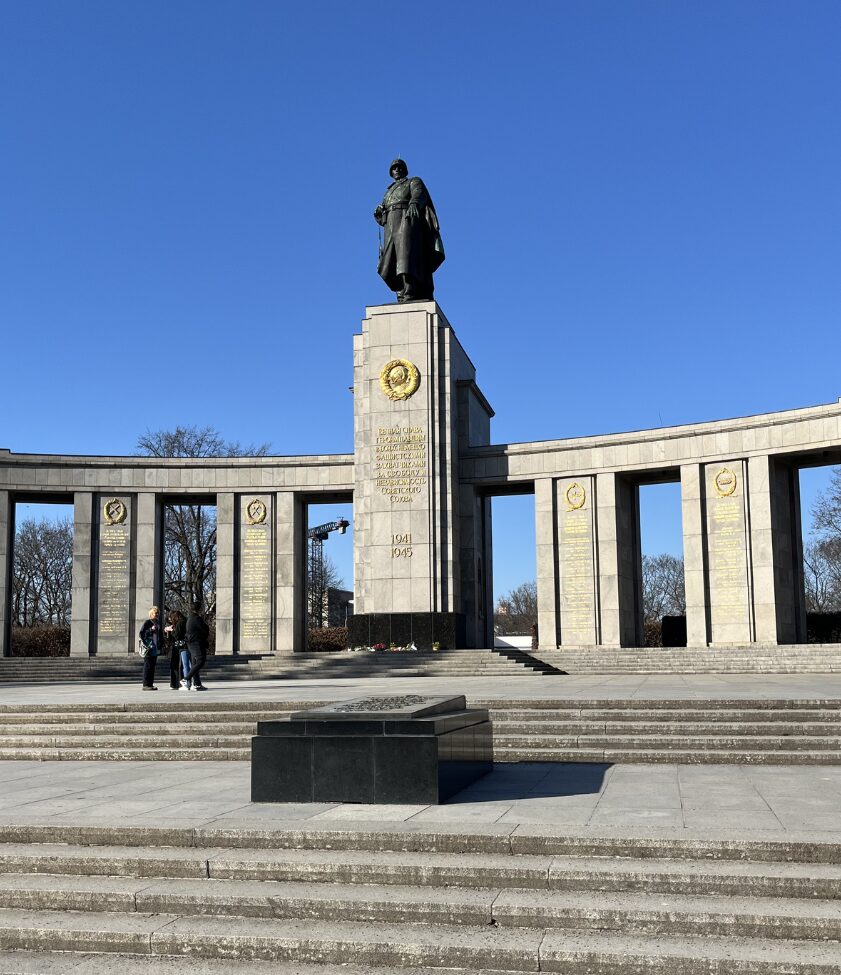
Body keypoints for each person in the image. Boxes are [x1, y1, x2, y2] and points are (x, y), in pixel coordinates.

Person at [374, 158, 444, 302]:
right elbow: (383, 212)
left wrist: (414, 202)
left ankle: (409, 288)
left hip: (406, 220)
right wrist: (379, 214)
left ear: (404, 169)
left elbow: (419, 193)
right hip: (390, 224)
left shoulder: (413, 181)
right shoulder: (388, 191)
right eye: (394, 168)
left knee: (405, 255)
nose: (397, 170)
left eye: (399, 167)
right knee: (391, 258)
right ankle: (400, 290)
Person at [183, 600, 209, 691]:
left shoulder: (190, 618)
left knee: (195, 663)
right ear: (200, 609)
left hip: (192, 643)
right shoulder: (197, 618)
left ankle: (197, 684)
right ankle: (186, 679)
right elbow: (205, 630)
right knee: (200, 661)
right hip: (196, 643)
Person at [138, 607, 161, 691]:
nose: (157, 614)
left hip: (154, 648)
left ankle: (150, 684)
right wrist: (151, 630)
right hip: (148, 648)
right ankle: (146, 684)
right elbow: (142, 634)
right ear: (151, 614)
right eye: (156, 613)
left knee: (152, 666)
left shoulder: (157, 623)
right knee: (147, 666)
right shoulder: (147, 622)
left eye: (158, 613)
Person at [165, 610, 187, 690]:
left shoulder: (180, 623)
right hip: (179, 646)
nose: (170, 620)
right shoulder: (183, 622)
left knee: (176, 665)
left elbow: (177, 635)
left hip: (178, 647)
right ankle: (176, 683)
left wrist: (171, 630)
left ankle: (175, 683)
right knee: (179, 665)